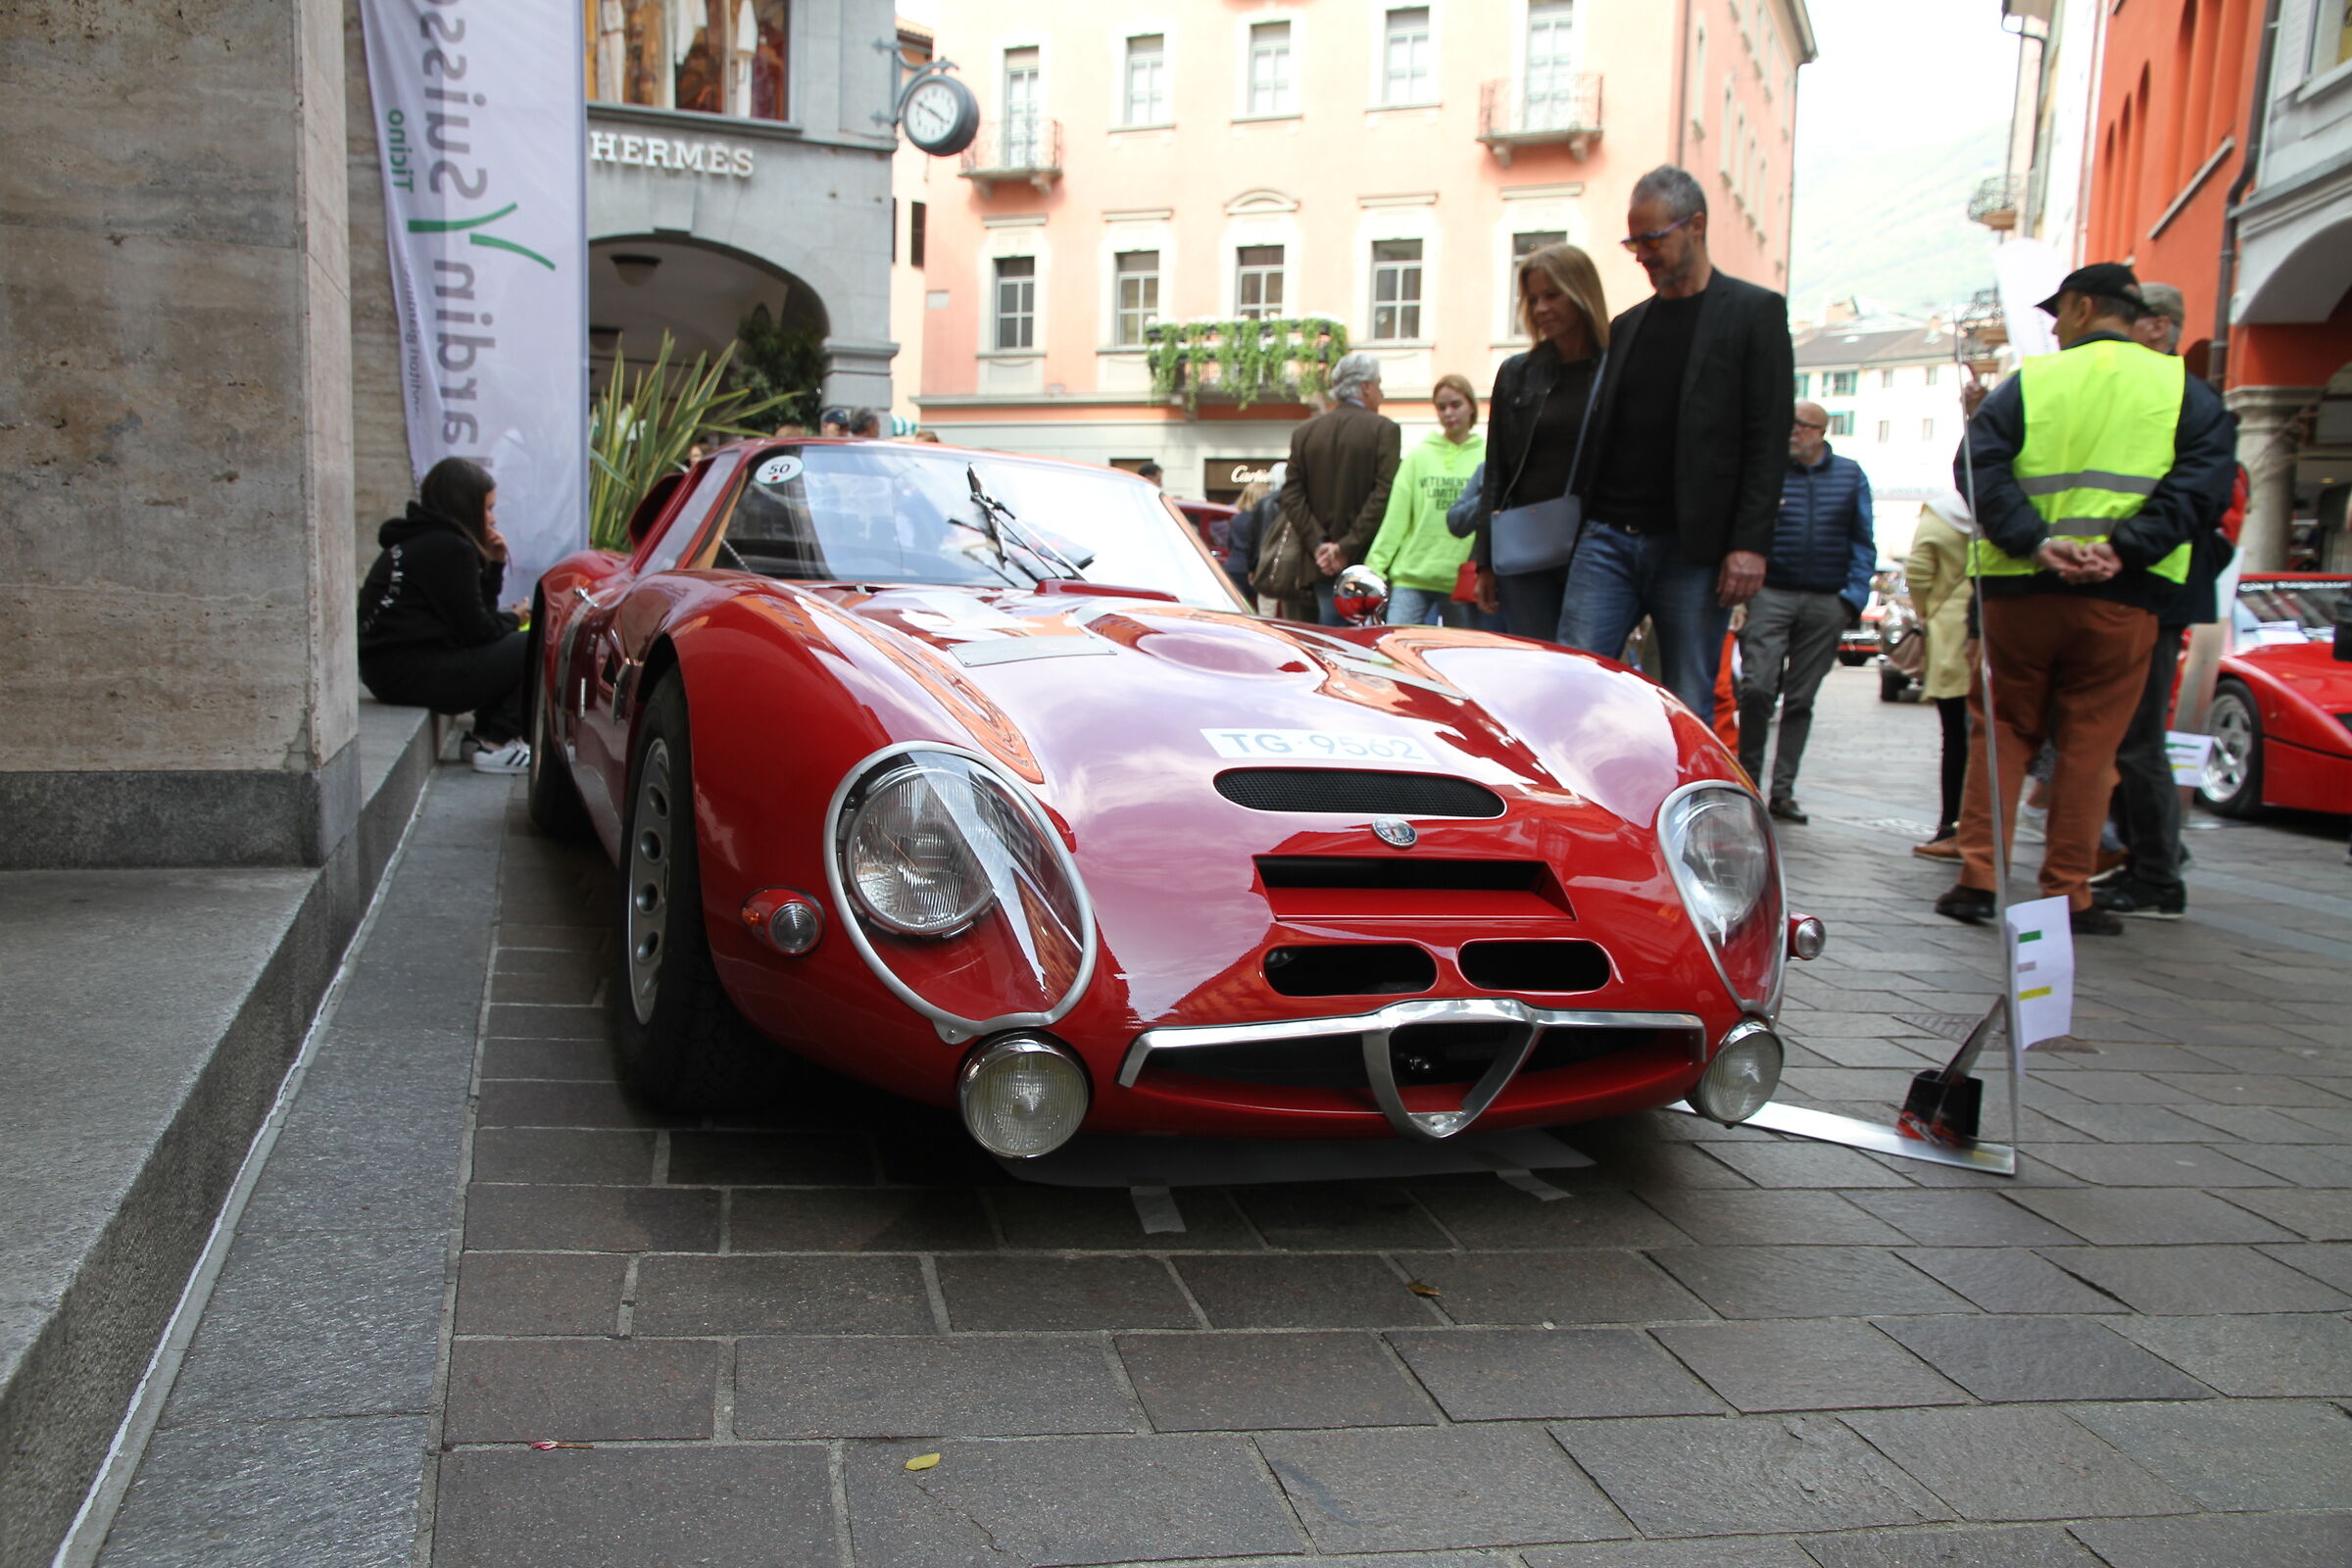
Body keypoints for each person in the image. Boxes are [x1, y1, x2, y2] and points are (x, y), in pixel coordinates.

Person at [1935, 263, 2235, 936]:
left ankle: (1979, 878)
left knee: (2004, 731)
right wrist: (2124, 547)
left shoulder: (2032, 383)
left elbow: (1977, 467)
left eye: (2058, 314)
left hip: (2020, 586)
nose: (2055, 327)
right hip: (2122, 595)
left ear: (2080, 307)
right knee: (2091, 744)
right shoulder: (2182, 389)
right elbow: (2203, 488)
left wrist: (2038, 541)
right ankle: (2069, 891)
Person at [1557, 166, 1793, 716]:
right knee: (1568, 685)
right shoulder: (1628, 325)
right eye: (1633, 242)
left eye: (1653, 239)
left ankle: (1687, 803)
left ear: (1696, 226)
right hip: (1608, 537)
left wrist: (1750, 544)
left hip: (1693, 547)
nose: (1642, 254)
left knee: (1687, 699)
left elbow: (1767, 436)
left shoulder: (1754, 313)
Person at [2094, 280, 2238, 920]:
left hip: (2158, 588)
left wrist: (2122, 547)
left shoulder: (2183, 398)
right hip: (2152, 584)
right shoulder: (2169, 396)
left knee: (2137, 736)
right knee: (2128, 735)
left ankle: (2156, 869)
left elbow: (2199, 500)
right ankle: (2145, 858)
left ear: (2157, 326)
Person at [1738, 399, 1876, 821]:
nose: (1794, 432)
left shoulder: (1850, 475)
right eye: (1790, 423)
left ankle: (1782, 792)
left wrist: (1851, 598)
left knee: (1800, 699)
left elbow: (1862, 539)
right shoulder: (1768, 471)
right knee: (1758, 687)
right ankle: (1747, 784)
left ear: (1821, 431)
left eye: (1803, 426)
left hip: (1826, 599)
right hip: (1771, 593)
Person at [1471, 243, 1611, 639]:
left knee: (1588, 663)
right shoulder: (1518, 373)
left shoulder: (1616, 367)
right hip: (1527, 541)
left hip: (1596, 543)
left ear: (1581, 293)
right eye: (1533, 299)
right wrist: (1484, 561)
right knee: (1536, 661)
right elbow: (1496, 470)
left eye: (1553, 295)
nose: (1540, 309)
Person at [357, 457, 532, 774]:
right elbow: (479, 631)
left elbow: (476, 621)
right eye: (488, 508)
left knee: (509, 637)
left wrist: (492, 566)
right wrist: (516, 618)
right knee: (533, 643)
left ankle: (481, 738)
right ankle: (496, 742)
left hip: (389, 672)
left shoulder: (421, 540)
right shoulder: (450, 549)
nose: (492, 520)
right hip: (410, 674)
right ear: (465, 507)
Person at [1274, 352, 1400, 624]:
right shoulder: (1384, 430)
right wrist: (1346, 546)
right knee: (1366, 648)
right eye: (1379, 385)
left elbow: (1291, 495)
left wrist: (1320, 544)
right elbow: (1385, 493)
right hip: (1368, 562)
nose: (1382, 393)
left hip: (1319, 563)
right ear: (1366, 387)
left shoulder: (1305, 433)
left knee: (1330, 645)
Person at [1367, 373, 1489, 626]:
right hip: (1413, 576)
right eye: (1441, 407)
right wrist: (1375, 567)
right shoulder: (1419, 456)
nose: (1448, 413)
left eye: (1456, 404)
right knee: (1393, 653)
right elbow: (1397, 517)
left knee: (1462, 659)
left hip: (1463, 578)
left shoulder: (1486, 455)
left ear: (1471, 407)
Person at [1906, 492, 1978, 858]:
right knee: (1995, 739)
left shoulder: (1942, 512)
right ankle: (1984, 828)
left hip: (1952, 629)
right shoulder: (2006, 507)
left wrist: (1926, 611)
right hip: (2002, 622)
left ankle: (1952, 824)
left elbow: (1918, 571)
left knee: (1956, 735)